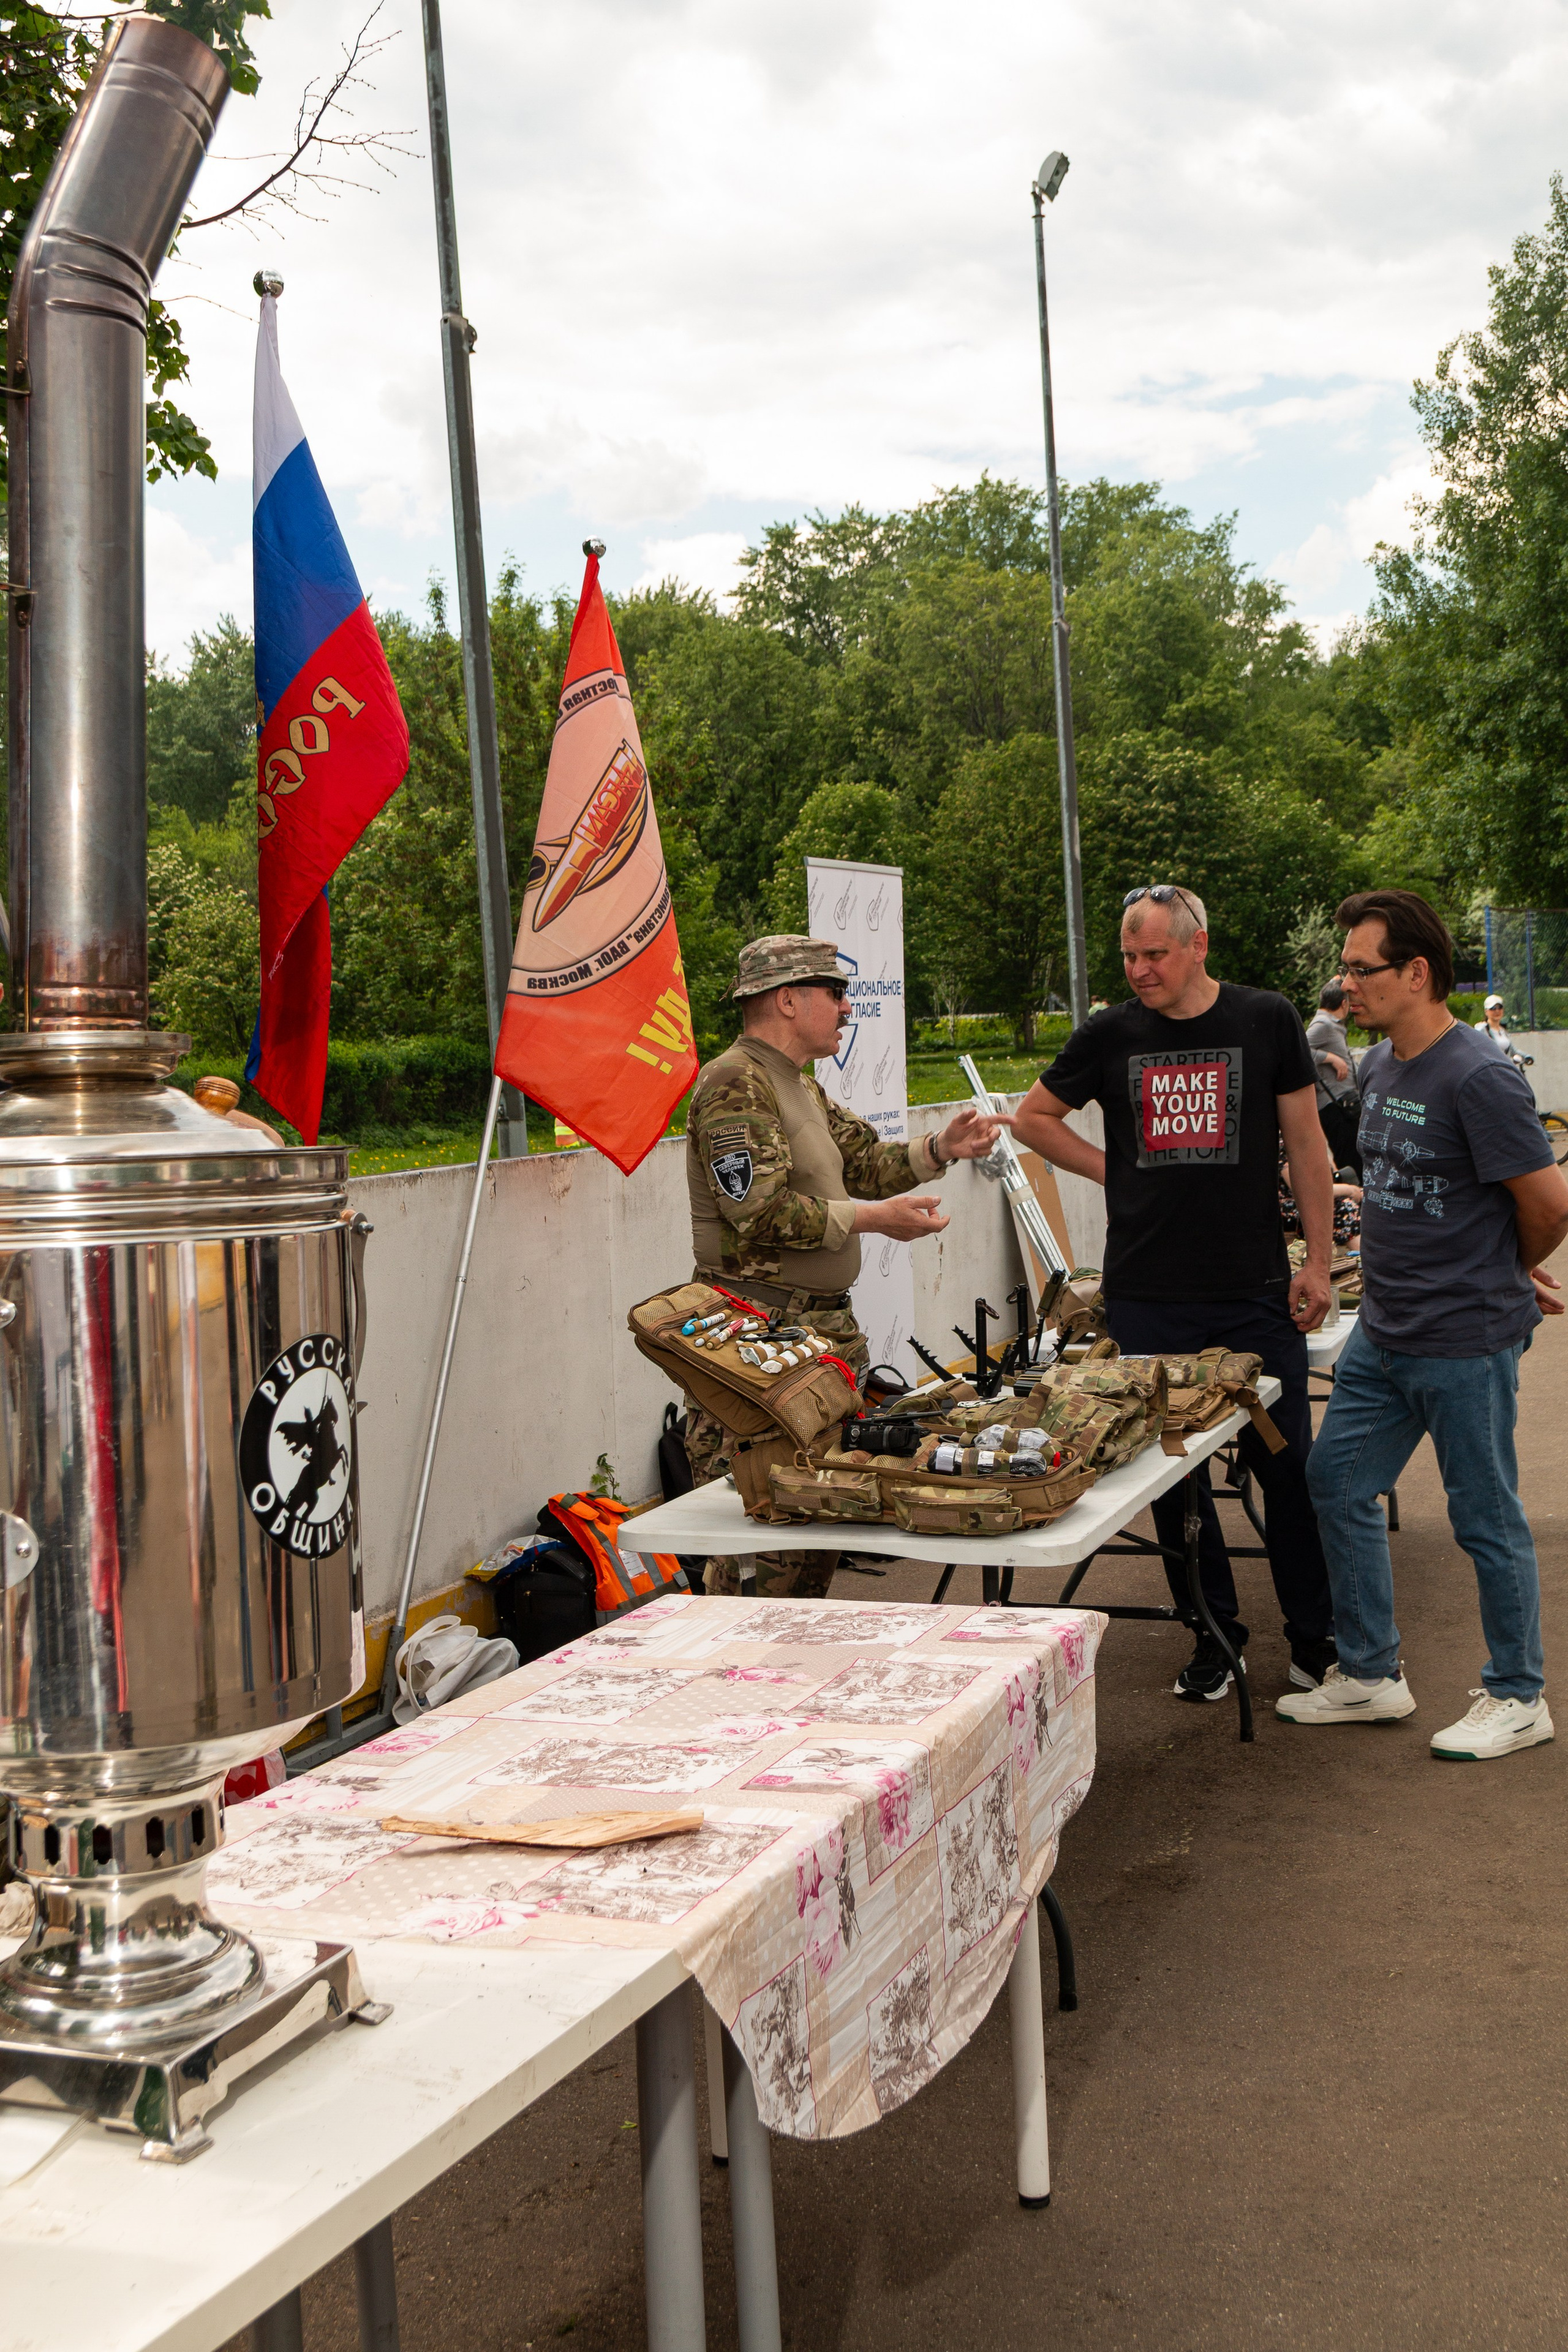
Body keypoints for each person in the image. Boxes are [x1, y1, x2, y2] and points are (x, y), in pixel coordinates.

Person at [1008, 884, 1338, 1698]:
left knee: (1284, 1467)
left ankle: (1315, 1638)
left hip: (1255, 1290)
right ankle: (1213, 1635)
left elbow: (1307, 1145)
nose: (1139, 969)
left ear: (1199, 946)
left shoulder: (1266, 1019)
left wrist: (1320, 1263)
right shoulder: (1111, 1034)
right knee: (1173, 1478)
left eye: (1154, 953)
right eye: (1128, 955)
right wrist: (1112, 1169)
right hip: (1150, 1291)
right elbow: (1034, 1117)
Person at [1278, 890, 1568, 1757]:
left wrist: (1507, 1270)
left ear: (1417, 972)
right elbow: (1406, 1176)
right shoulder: (1380, 1067)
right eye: (1345, 969)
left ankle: (1520, 1695)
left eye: (1361, 969)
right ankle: (1371, 1674)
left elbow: (1549, 1202)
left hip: (1465, 1338)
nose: (1346, 983)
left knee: (1485, 1516)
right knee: (1335, 1481)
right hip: (1387, 1330)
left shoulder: (1477, 1073)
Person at [684, 934, 1002, 1597]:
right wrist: (873, 1220)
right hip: (758, 1343)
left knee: (816, 1521)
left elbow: (864, 1164)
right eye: (835, 992)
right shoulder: (733, 1082)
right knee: (762, 1540)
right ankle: (738, 1683)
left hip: (816, 1337)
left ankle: (790, 1679)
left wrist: (944, 1146)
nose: (847, 1006)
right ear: (788, 999)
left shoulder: (796, 1083)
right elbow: (759, 1214)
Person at [1306, 981, 1362, 1175]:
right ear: (1344, 1004)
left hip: (1343, 1103)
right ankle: (1352, 1201)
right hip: (1335, 1105)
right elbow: (1299, 1051)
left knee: (1356, 1157)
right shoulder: (1324, 1025)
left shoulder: (1331, 1025)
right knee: (1351, 1160)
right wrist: (1331, 1059)